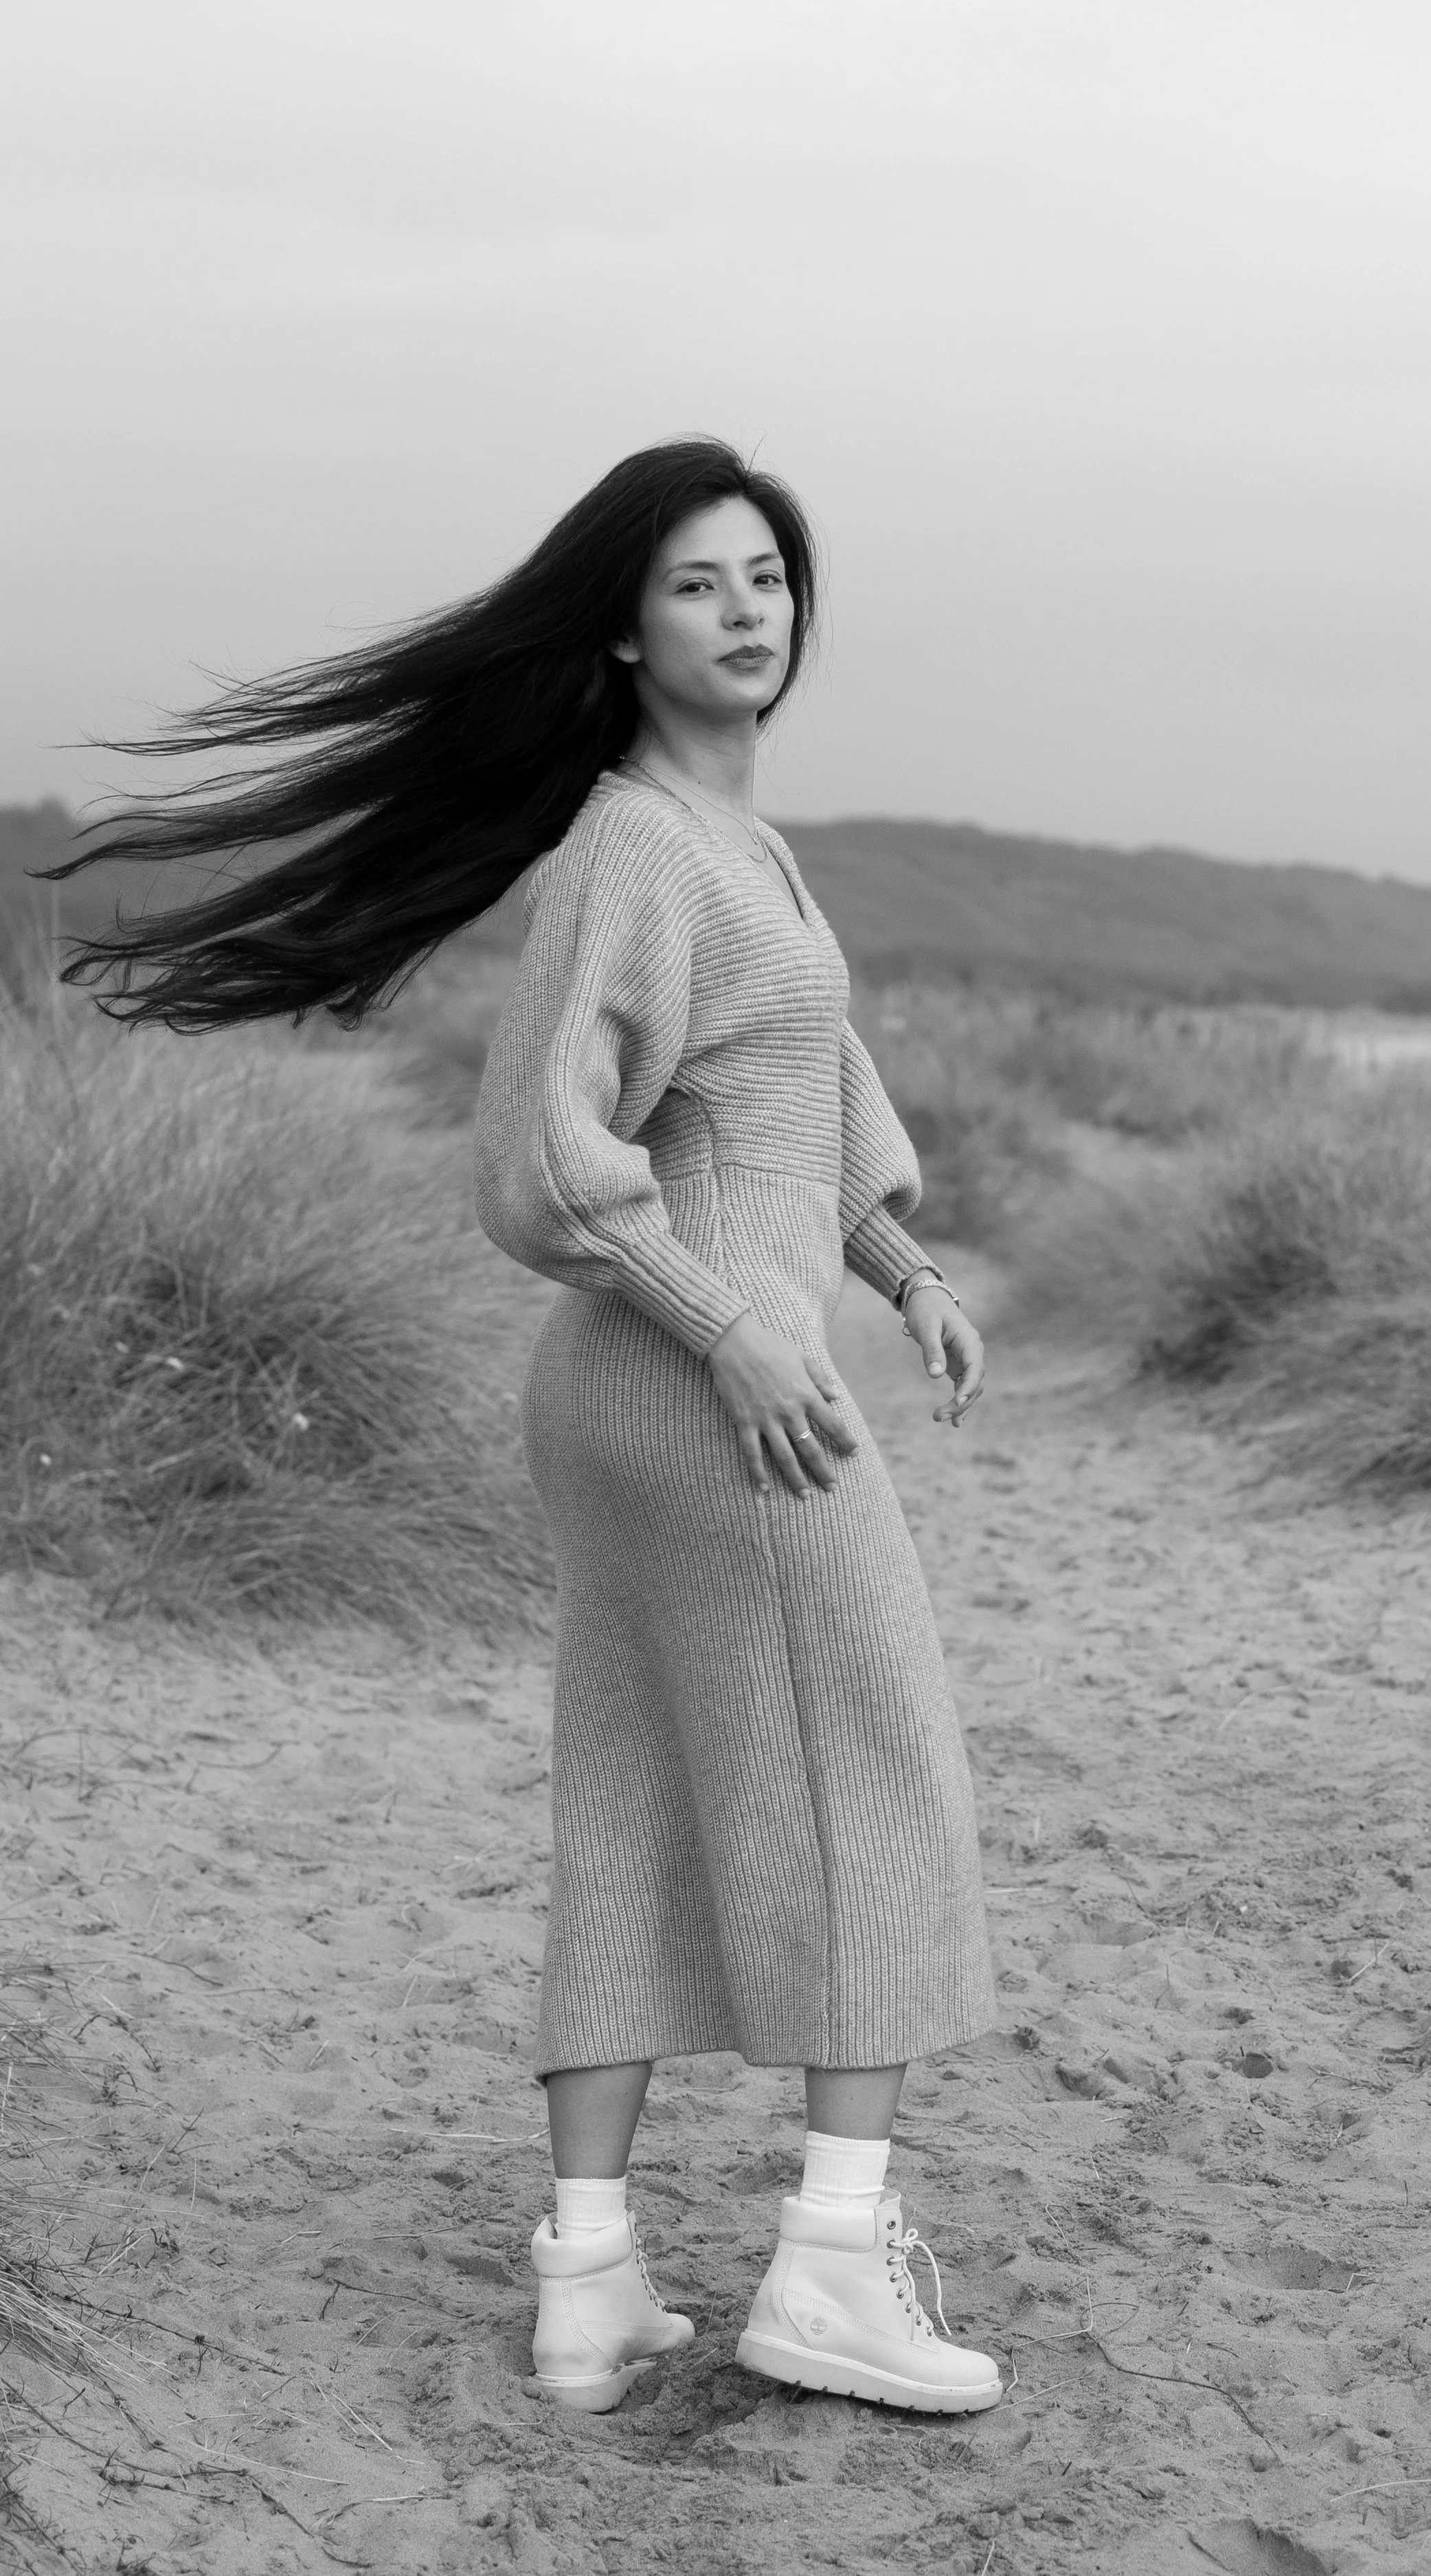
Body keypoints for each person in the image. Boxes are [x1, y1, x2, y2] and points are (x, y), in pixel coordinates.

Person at [51, 439, 1002, 2417]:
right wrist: (732, 1331)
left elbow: (790, 1091)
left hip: (691, 1379)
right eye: (697, 584)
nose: (747, 611)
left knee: (639, 1795)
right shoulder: (635, 851)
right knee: (886, 1773)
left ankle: (590, 2277)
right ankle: (835, 2263)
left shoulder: (735, 844)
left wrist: (897, 1264)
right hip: (705, 1388)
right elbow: (540, 1161)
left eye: (767, 577)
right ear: (624, 633)